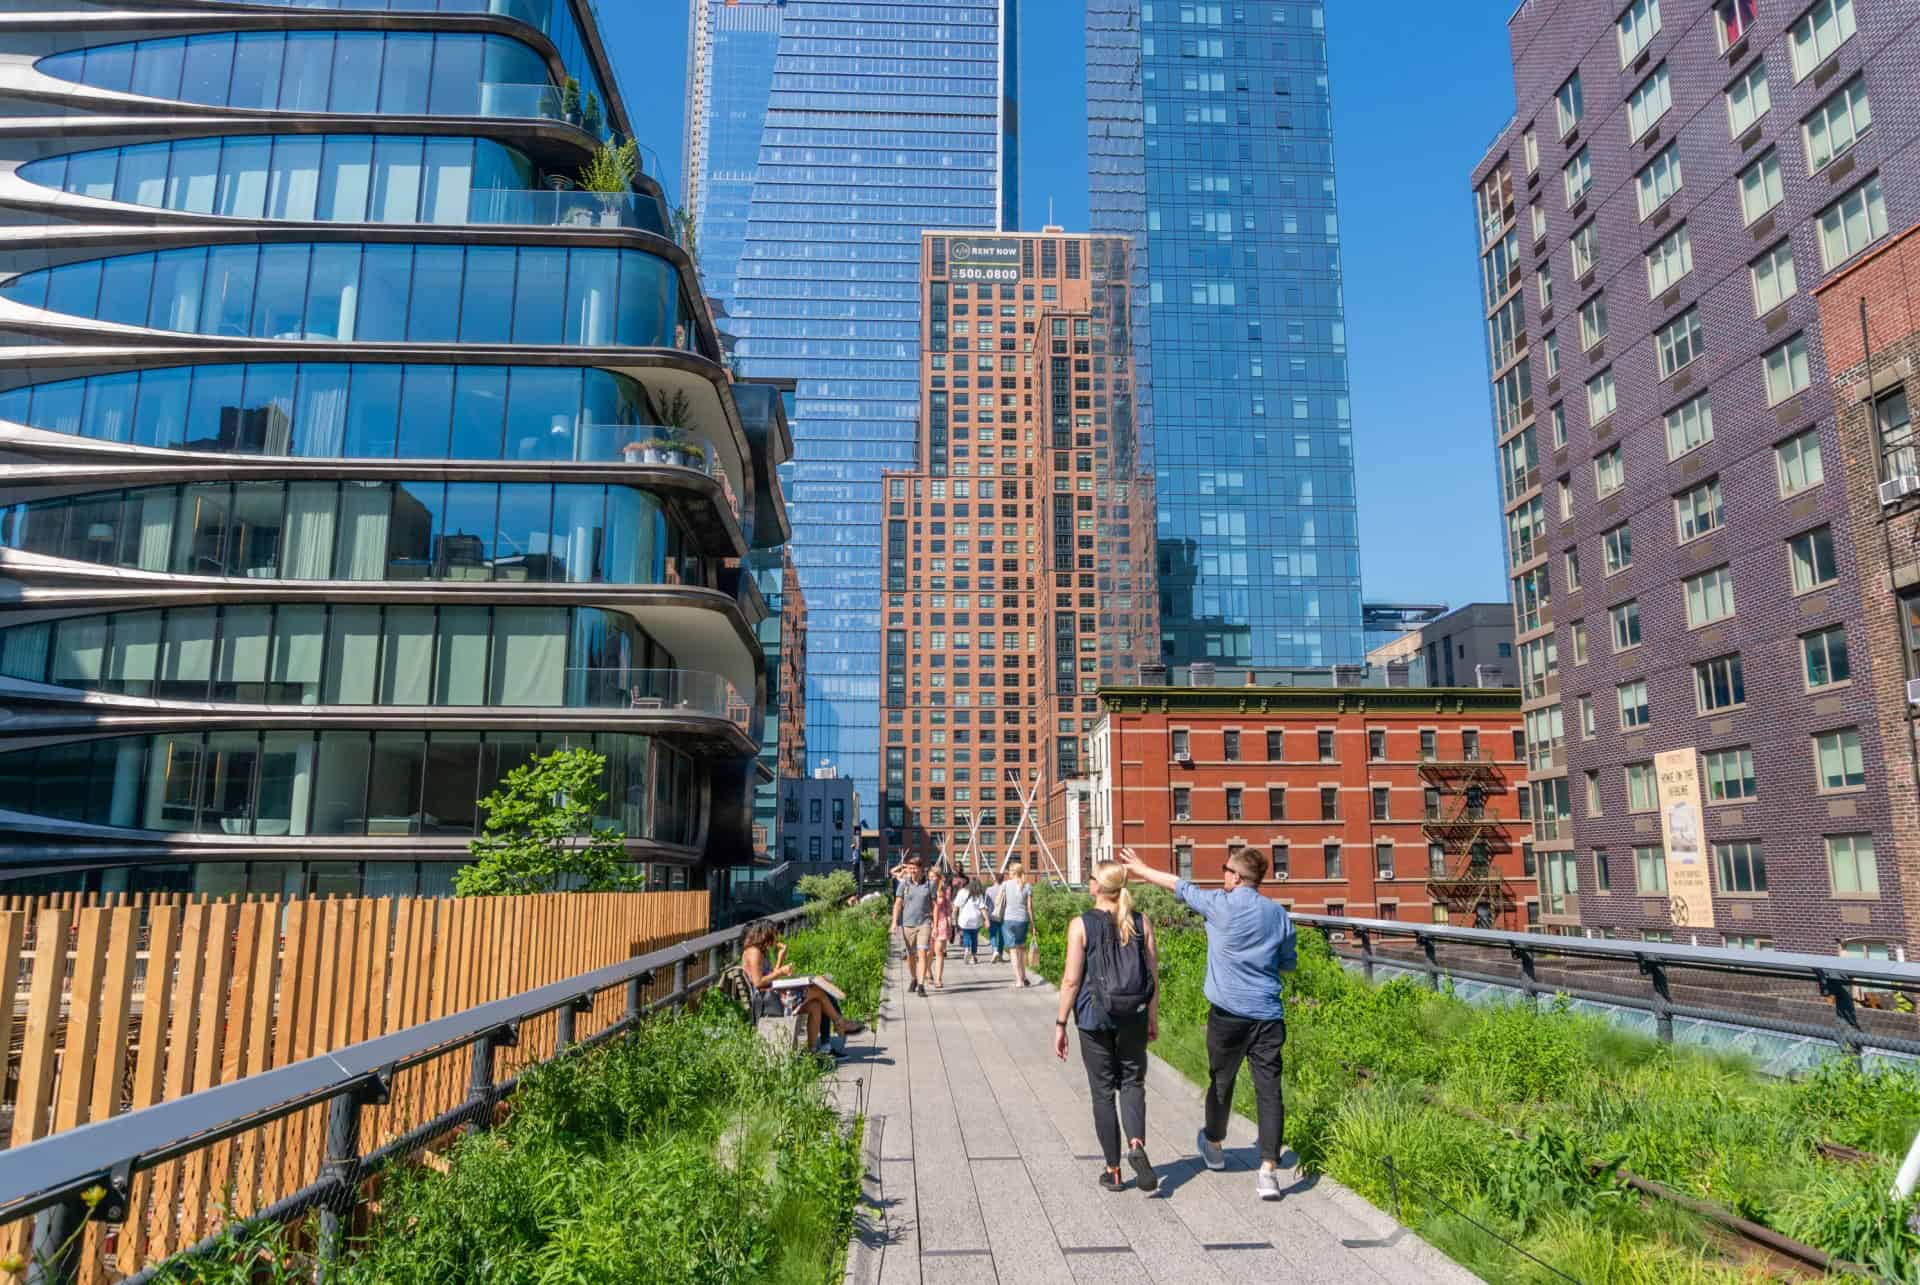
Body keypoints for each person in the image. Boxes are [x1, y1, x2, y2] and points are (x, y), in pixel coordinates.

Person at [1120, 844, 1296, 1200]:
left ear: (1237, 876)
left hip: (1227, 1014)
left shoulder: (1219, 904)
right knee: (1269, 1090)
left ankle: (1214, 1145)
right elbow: (1287, 962)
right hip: (1267, 1015)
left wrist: (1140, 868)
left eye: (1225, 869)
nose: (1223, 874)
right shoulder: (1278, 915)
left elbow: (1176, 885)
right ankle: (1268, 1172)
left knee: (1221, 1081)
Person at [1054, 861, 1160, 1193]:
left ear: (1098, 886)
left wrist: (1060, 1023)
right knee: (1132, 1082)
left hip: (1093, 1016)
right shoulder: (1142, 921)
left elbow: (1071, 980)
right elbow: (1153, 977)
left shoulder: (1081, 924)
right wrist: (1152, 1017)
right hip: (1134, 1015)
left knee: (1102, 1093)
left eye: (1090, 878)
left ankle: (1113, 1171)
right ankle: (1137, 1144)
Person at [740, 918, 864, 1054]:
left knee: (816, 1005)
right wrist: (781, 971)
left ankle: (814, 1052)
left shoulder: (760, 951)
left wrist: (781, 957)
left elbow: (770, 977)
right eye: (775, 934)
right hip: (767, 1002)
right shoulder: (754, 952)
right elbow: (759, 982)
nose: (777, 937)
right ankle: (840, 1023)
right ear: (765, 934)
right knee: (817, 989)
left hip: (772, 998)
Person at [892, 858, 937, 995]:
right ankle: (914, 978)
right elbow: (898, 904)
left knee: (922, 952)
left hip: (924, 923)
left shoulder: (930, 885)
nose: (912, 871)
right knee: (911, 955)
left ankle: (922, 985)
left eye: (915, 868)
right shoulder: (904, 884)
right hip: (907, 924)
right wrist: (894, 922)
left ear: (921, 869)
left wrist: (934, 925)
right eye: (910, 868)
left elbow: (935, 905)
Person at [997, 860, 1035, 988]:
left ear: (1013, 872)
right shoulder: (1027, 886)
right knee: (1021, 949)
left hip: (1008, 920)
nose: (1008, 873)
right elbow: (1030, 908)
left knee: (1013, 950)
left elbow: (997, 901)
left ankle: (1018, 980)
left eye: (1010, 871)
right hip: (1023, 920)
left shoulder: (1006, 884)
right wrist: (1033, 925)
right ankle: (1024, 976)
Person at [929, 869, 955, 989]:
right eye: (930, 877)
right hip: (928, 922)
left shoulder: (944, 889)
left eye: (934, 877)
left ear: (939, 877)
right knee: (929, 952)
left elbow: (948, 908)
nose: (931, 879)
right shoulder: (926, 889)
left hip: (941, 922)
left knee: (939, 951)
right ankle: (928, 973)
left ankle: (938, 979)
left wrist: (950, 923)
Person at [952, 874, 986, 963]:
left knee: (966, 935)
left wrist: (953, 918)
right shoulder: (978, 894)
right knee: (974, 938)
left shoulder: (962, 892)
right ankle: (974, 956)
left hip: (964, 919)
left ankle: (967, 949)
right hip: (976, 920)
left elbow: (955, 907)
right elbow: (982, 908)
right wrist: (987, 920)